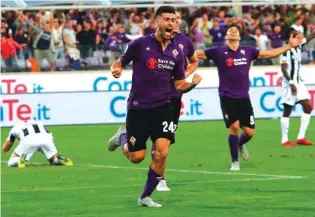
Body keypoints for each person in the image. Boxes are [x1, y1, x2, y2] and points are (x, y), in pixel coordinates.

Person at [108, 6, 202, 207]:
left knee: (162, 152)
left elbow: (179, 84)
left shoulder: (177, 52)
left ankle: (145, 196)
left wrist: (192, 83)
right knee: (137, 157)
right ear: (156, 21)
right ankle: (122, 137)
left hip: (163, 106)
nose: (170, 23)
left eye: (173, 19)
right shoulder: (140, 44)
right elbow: (120, 61)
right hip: (138, 107)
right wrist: (116, 69)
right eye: (166, 19)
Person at [196, 24, 304, 171]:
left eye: (236, 30)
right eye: (230, 30)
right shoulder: (218, 52)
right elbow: (195, 54)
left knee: (249, 132)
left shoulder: (248, 51)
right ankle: (235, 162)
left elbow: (269, 54)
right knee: (234, 127)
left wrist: (288, 46)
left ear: (239, 36)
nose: (233, 31)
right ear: (226, 36)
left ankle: (239, 144)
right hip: (226, 96)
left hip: (243, 97)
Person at [154, 10, 198, 192]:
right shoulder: (154, 41)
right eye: (171, 18)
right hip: (155, 97)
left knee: (166, 141)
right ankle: (159, 179)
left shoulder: (185, 42)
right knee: (159, 142)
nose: (174, 21)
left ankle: (158, 176)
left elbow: (194, 61)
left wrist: (183, 75)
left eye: (177, 18)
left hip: (174, 96)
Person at [280, 27, 315, 147]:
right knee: (287, 110)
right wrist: (291, 83)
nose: (299, 35)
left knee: (308, 107)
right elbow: (283, 68)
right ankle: (284, 140)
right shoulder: (286, 49)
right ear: (291, 36)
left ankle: (301, 137)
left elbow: (311, 36)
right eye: (296, 34)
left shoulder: (299, 45)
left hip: (299, 82)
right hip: (290, 83)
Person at [2, 121, 73, 168]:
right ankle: (58, 158)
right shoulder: (38, 123)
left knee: (11, 162)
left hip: (29, 140)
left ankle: (20, 159)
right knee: (52, 159)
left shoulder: (15, 128)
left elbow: (5, 149)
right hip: (46, 138)